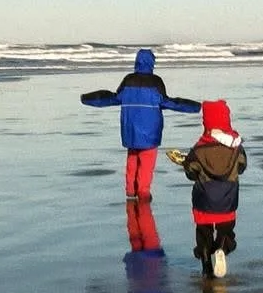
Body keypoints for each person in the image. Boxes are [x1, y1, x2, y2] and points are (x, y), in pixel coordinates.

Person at [80, 49, 201, 201]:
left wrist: (87, 99)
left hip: (130, 131)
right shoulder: (156, 82)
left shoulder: (128, 80)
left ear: (137, 61)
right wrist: (195, 107)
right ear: (151, 63)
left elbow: (113, 98)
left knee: (132, 160)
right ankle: (143, 192)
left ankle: (130, 191)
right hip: (150, 132)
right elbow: (168, 102)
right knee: (146, 164)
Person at [165, 99, 246, 278]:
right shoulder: (236, 147)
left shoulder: (199, 148)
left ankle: (206, 263)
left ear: (206, 122)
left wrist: (186, 163)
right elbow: (242, 166)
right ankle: (222, 249)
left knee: (203, 232)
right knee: (226, 230)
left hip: (203, 199)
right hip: (228, 198)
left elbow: (191, 172)